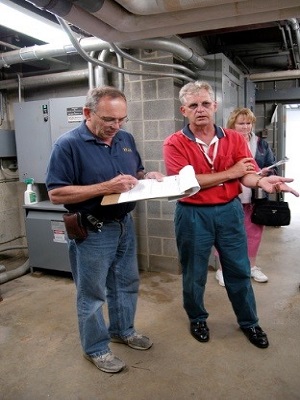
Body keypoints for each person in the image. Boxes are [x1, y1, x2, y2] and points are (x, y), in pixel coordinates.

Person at [163, 80, 299, 349]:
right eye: (193, 105)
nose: (200, 109)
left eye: (205, 103)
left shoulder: (235, 139)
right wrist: (231, 173)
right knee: (194, 272)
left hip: (229, 211)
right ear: (184, 111)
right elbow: (187, 183)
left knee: (239, 269)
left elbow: (246, 174)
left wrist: (260, 182)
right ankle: (197, 318)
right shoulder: (174, 144)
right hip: (192, 214)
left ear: (214, 106)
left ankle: (249, 322)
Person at [46, 86, 163, 374]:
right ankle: (96, 348)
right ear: (88, 113)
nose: (116, 126)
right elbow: (57, 193)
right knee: (92, 294)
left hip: (124, 225)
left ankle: (123, 330)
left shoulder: (125, 138)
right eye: (109, 119)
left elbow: (134, 173)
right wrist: (106, 187)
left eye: (122, 119)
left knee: (126, 283)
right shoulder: (68, 145)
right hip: (93, 229)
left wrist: (147, 175)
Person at [215, 107, 277, 287]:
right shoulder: (223, 142)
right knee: (225, 234)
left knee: (254, 233)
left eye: (248, 123)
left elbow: (272, 165)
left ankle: (251, 266)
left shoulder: (261, 144)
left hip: (255, 197)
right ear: (232, 124)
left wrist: (266, 172)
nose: (245, 127)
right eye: (241, 123)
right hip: (231, 196)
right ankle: (222, 270)